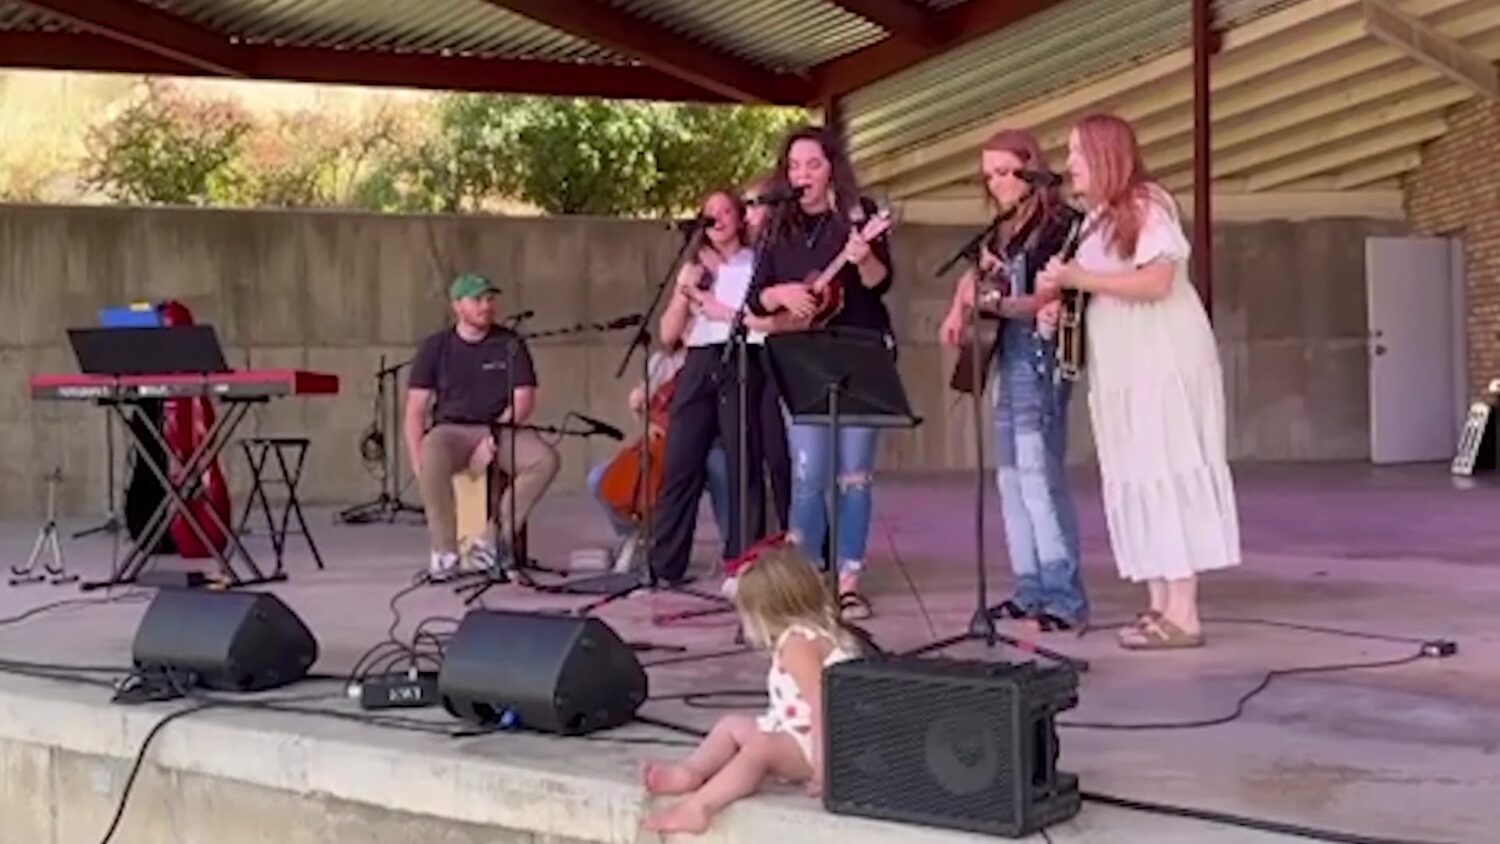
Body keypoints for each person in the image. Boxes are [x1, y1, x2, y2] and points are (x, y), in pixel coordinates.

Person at [1036, 113, 1240, 649]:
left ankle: (1184, 612)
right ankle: (1158, 604)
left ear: (1106, 156)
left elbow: (1156, 280)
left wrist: (1080, 279)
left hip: (1163, 363)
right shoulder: (1094, 221)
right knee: (1136, 475)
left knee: (1167, 471)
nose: (1070, 164)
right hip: (1122, 369)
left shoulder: (1147, 205)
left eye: (1079, 153)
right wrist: (1061, 305)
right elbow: (1099, 288)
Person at [938, 129, 1089, 632]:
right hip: (1008, 353)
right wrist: (959, 305)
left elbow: (1049, 298)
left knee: (1038, 475)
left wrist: (994, 302)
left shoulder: (1061, 224)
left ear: (1032, 169)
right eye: (989, 176)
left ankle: (1063, 597)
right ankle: (1029, 589)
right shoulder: (1004, 226)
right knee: (1009, 479)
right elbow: (976, 274)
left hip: (1039, 355)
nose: (996, 184)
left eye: (1005, 173)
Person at [748, 124, 894, 620]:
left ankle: (849, 581)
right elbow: (756, 293)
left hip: (859, 351)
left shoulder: (859, 215)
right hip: (802, 358)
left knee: (854, 475)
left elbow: (879, 282)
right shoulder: (777, 224)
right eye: (794, 166)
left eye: (812, 164)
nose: (802, 174)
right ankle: (802, 583)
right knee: (809, 472)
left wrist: (864, 254)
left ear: (832, 166)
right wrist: (781, 294)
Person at [641, 537, 859, 834]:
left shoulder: (799, 646)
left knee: (760, 749)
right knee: (731, 725)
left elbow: (823, 705)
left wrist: (824, 767)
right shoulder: (803, 636)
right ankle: (689, 772)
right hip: (797, 734)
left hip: (821, 744)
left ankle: (700, 807)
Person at [646, 189, 778, 586]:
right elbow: (668, 336)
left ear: (739, 218)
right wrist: (683, 292)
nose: (718, 219)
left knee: (743, 463)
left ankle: (744, 562)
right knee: (680, 462)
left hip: (743, 355)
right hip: (700, 358)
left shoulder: (756, 262)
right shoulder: (694, 267)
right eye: (710, 213)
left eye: (725, 211)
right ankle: (664, 566)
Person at [404, 272, 560, 580]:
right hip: (451, 430)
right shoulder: (435, 347)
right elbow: (415, 410)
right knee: (430, 453)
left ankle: (489, 541)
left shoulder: (510, 343)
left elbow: (523, 401)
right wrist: (416, 460)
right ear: (457, 306)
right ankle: (445, 552)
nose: (486, 306)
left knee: (545, 460)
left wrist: (491, 436)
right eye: (477, 300)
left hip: (501, 427)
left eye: (490, 299)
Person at [584, 343, 732, 571]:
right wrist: (643, 416)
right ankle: (637, 534)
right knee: (599, 478)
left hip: (710, 443)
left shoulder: (721, 355)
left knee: (723, 471)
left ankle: (734, 548)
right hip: (663, 443)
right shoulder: (662, 360)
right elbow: (645, 409)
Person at [741, 172, 792, 531]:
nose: (747, 216)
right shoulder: (752, 254)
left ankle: (800, 535)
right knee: (758, 451)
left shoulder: (783, 249)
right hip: (753, 357)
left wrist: (765, 322)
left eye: (752, 205)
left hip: (785, 355)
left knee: (784, 454)